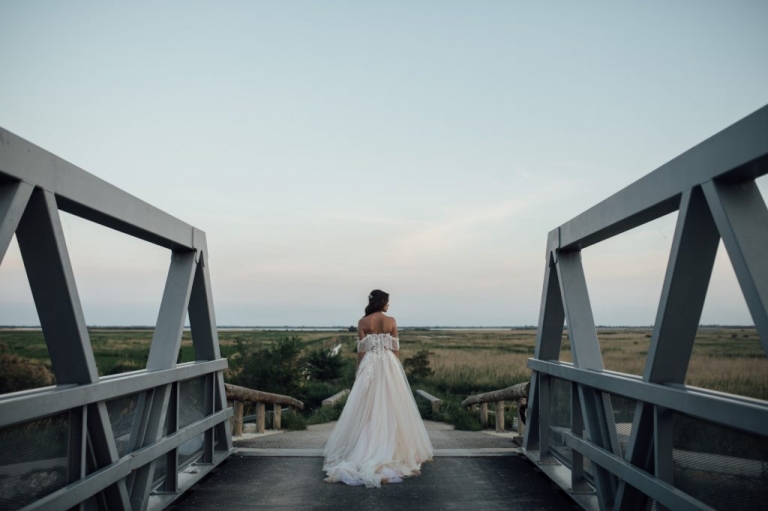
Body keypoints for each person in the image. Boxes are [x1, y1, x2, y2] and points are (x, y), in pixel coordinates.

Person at [322, 289, 434, 488]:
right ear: (382, 302)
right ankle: (390, 446)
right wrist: (395, 369)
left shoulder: (363, 322)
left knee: (368, 404)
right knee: (392, 403)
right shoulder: (391, 321)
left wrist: (360, 370)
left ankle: (364, 448)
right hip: (389, 364)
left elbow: (361, 351)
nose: (389, 306)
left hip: (370, 365)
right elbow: (395, 348)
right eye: (387, 302)